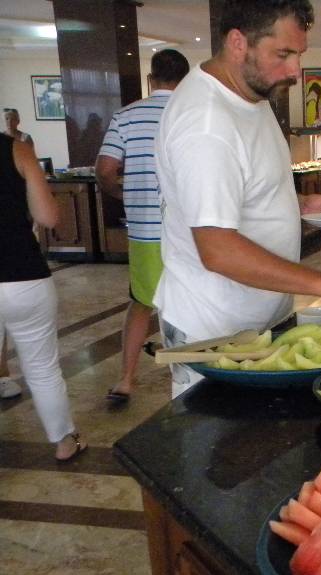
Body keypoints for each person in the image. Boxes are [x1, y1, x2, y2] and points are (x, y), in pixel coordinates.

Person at [154, 0, 321, 397]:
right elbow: (218, 250)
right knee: (216, 435)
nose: (295, 70)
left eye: (299, 54)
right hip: (215, 332)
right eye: (283, 54)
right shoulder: (206, 124)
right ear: (238, 43)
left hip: (257, 323)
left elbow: (240, 188)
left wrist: (296, 202)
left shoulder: (251, 95)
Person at [95, 48, 190, 405]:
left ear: (151, 79)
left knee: (140, 303)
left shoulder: (126, 116)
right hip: (191, 231)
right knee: (189, 303)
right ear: (185, 80)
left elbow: (105, 171)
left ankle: (126, 380)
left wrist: (128, 195)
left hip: (145, 229)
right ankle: (190, 377)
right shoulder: (193, 112)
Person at [0, 133, 87, 460]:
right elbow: (48, 217)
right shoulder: (17, 150)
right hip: (24, 275)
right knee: (42, 368)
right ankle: (65, 441)